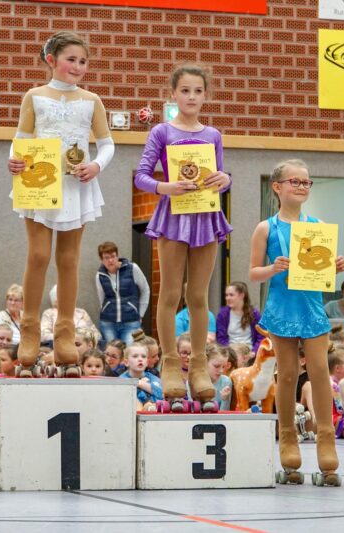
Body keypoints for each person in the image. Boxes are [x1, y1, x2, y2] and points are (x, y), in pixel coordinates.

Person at [7, 31, 114, 378]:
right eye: (71, 59)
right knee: (38, 255)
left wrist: (96, 165)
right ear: (52, 60)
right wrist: (14, 159)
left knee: (68, 260)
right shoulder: (34, 96)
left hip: (76, 185)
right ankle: (29, 331)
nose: (78, 66)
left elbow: (107, 144)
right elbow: (21, 139)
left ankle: (65, 335)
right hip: (38, 182)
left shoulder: (92, 100)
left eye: (83, 61)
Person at [135, 64, 231, 413]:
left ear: (206, 95)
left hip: (205, 215)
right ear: (173, 94)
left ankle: (200, 366)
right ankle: (171, 363)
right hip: (174, 215)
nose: (192, 97)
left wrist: (225, 180)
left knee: (199, 295)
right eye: (185, 90)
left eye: (198, 91)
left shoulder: (213, 134)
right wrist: (166, 187)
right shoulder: (161, 131)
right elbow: (142, 176)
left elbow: (219, 175)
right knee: (171, 292)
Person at [249, 159, 344, 486]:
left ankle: (326, 438)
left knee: (319, 370)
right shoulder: (266, 228)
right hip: (282, 308)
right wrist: (273, 267)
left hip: (311, 307)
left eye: (306, 182)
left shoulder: (318, 226)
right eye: (295, 181)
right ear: (277, 187)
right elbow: (253, 273)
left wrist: (334, 266)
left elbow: (319, 272)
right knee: (288, 373)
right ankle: (288, 437)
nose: (302, 186)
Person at [95, 241, 150, 345]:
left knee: (129, 351)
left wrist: (141, 314)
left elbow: (145, 290)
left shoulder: (132, 268)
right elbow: (101, 299)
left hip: (131, 321)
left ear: (117, 256)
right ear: (101, 259)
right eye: (106, 257)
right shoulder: (100, 275)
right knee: (112, 352)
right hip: (108, 323)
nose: (110, 260)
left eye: (113, 256)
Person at [216, 281, 263, 353]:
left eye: (231, 295)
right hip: (230, 352)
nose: (227, 298)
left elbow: (261, 336)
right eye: (226, 295)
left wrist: (254, 353)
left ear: (241, 296)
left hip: (250, 352)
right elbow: (221, 338)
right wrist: (231, 352)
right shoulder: (223, 314)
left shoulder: (254, 313)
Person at [119, 343, 162, 410]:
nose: (140, 359)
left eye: (143, 356)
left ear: (147, 362)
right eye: (135, 356)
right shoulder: (121, 379)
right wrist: (137, 382)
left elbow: (162, 394)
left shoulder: (153, 378)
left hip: (154, 411)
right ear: (126, 362)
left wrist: (141, 384)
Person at [207, 345, 232, 411]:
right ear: (205, 362)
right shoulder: (193, 382)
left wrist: (225, 399)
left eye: (224, 367)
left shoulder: (226, 381)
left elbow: (224, 413)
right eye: (216, 366)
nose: (221, 371)